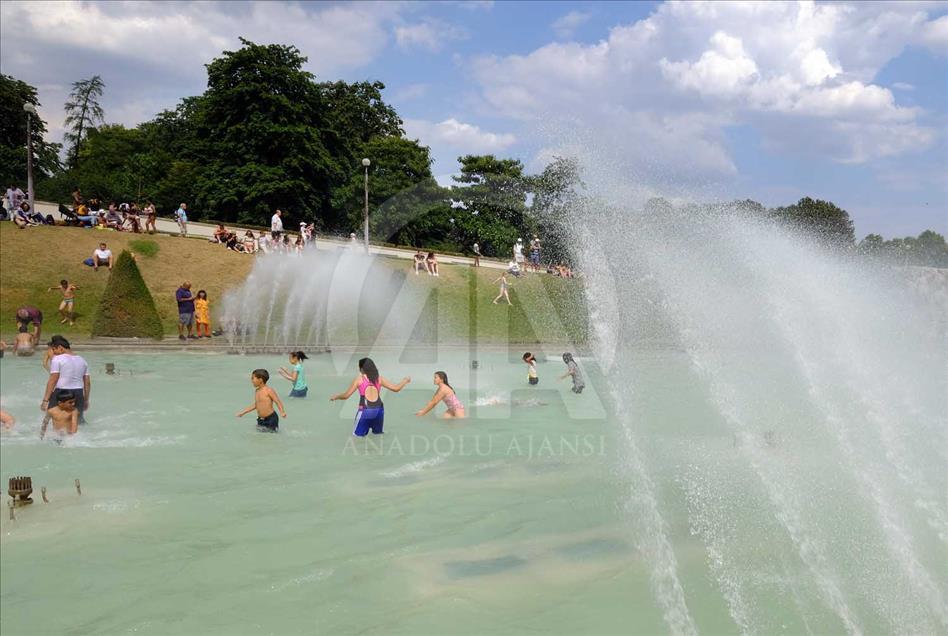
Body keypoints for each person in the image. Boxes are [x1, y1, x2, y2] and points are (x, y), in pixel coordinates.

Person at [330, 357, 410, 436]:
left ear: (362, 369)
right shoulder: (379, 379)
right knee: (378, 435)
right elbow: (396, 388)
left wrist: (337, 396)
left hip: (365, 411)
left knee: (357, 439)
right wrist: (405, 381)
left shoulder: (359, 379)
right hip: (379, 411)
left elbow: (346, 396)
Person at [41, 335, 90, 425]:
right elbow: (87, 382)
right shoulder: (82, 360)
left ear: (60, 348)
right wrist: (86, 400)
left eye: (54, 350)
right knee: (78, 421)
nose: (54, 353)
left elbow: (53, 380)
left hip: (61, 393)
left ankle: (52, 438)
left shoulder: (57, 359)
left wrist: (45, 400)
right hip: (78, 393)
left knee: (53, 419)